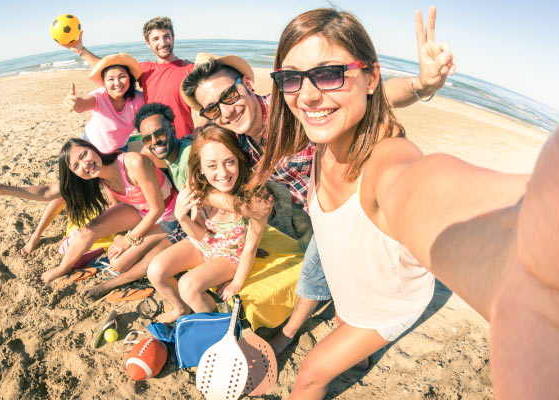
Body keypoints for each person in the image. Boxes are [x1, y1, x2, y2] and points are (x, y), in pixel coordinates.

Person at [252, 6, 559, 399]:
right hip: (353, 288)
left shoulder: (385, 160)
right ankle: (361, 355)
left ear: (370, 76)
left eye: (328, 73)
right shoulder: (326, 134)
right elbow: (389, 94)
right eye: (291, 78)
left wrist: (534, 251)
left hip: (390, 303)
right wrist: (422, 83)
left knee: (311, 374)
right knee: (342, 324)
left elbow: (423, 191)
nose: (307, 94)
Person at [179, 5, 455, 354]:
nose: (227, 111)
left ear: (247, 84)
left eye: (230, 96)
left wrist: (421, 84)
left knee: (318, 270)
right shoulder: (236, 139)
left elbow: (373, 97)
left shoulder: (291, 105)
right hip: (306, 206)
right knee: (334, 274)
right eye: (213, 108)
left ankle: (290, 332)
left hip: (344, 203)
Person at [80, 103, 267, 299]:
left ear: (172, 128)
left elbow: (211, 196)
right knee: (123, 262)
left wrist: (248, 211)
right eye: (147, 138)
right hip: (186, 217)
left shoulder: (188, 158)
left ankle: (114, 283)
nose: (154, 141)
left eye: (159, 133)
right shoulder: (169, 155)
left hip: (188, 219)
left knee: (152, 259)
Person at [0, 139, 178, 284]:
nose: (85, 164)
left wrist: (128, 239)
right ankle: (62, 268)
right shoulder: (96, 176)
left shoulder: (133, 162)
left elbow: (157, 208)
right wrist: (5, 189)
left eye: (84, 155)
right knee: (88, 230)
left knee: (119, 264)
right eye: (76, 166)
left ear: (92, 148)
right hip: (139, 209)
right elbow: (48, 191)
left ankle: (158, 246)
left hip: (167, 212)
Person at [20, 53, 144, 256]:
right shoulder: (101, 96)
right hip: (88, 153)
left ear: (129, 78)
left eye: (122, 76)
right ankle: (36, 235)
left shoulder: (137, 100)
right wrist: (74, 103)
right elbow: (84, 104)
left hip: (116, 153)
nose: (117, 83)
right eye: (110, 79)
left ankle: (118, 233)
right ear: (104, 83)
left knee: (116, 196)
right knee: (65, 194)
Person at [146, 123, 272, 323]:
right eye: (212, 166)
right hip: (203, 244)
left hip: (230, 255)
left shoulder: (255, 197)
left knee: (188, 285)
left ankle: (213, 319)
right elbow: (199, 235)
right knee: (155, 270)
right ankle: (181, 308)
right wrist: (182, 217)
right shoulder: (198, 186)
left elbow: (250, 247)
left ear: (239, 160)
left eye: (229, 162)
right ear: (201, 168)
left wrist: (237, 283)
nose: (222, 173)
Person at [63, 17, 194, 138]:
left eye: (167, 36)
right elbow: (108, 66)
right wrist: (81, 50)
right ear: (148, 43)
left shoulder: (190, 69)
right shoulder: (146, 69)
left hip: (184, 139)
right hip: (155, 140)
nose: (163, 42)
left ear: (173, 37)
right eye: (156, 39)